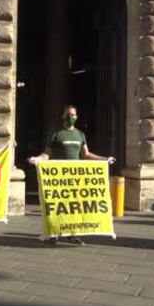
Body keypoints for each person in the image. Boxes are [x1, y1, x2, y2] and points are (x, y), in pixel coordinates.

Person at [28, 105, 116, 246]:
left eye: (73, 115)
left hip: (75, 179)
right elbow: (47, 155)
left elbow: (86, 155)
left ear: (77, 117)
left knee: (75, 206)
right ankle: (54, 234)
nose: (71, 117)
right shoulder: (56, 134)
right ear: (63, 116)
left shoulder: (80, 135)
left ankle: (72, 234)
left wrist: (105, 159)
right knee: (57, 207)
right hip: (58, 179)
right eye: (68, 114)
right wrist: (37, 159)